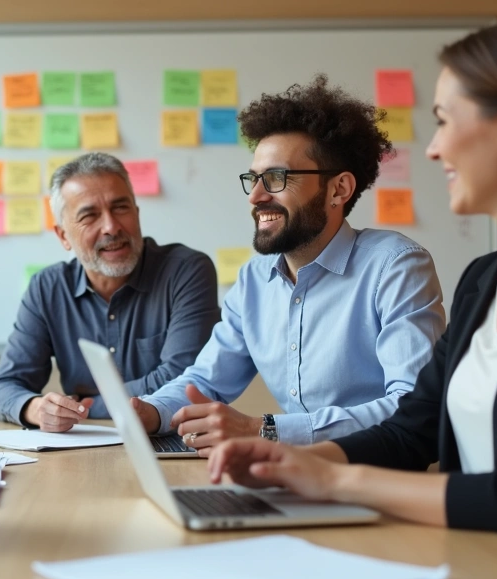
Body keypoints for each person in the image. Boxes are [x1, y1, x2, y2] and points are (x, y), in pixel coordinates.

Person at [205, 20, 497, 579]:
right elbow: (413, 429)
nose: (433, 148)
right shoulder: (486, 280)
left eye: (443, 121)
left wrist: (332, 478)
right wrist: (288, 460)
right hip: (471, 571)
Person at [131, 76, 446, 451]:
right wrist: (149, 412)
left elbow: (409, 405)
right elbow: (206, 383)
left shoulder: (396, 266)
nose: (256, 196)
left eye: (277, 178)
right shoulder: (253, 279)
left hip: (375, 472)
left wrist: (264, 429)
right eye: (254, 178)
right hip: (295, 473)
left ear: (338, 189)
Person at [0, 152, 220, 432]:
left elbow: (184, 381)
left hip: (167, 442)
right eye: (89, 215)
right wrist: (35, 408)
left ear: (137, 213)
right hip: (84, 447)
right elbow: (1, 389)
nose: (111, 226)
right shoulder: (47, 288)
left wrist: (88, 404)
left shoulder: (186, 271)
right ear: (63, 236)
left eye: (121, 208)